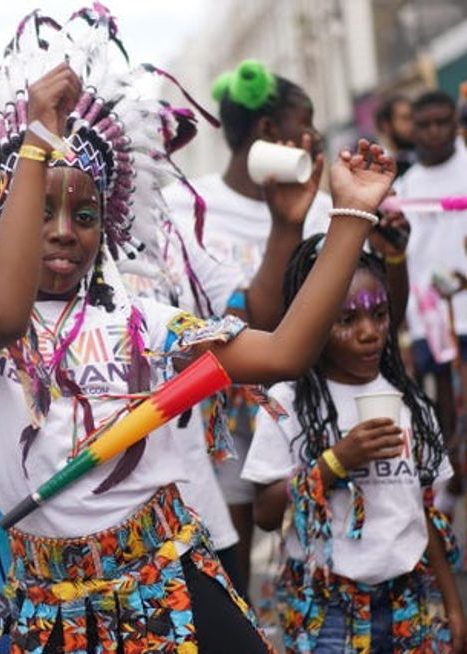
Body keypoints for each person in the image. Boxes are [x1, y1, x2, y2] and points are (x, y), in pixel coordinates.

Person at [0, 8, 398, 652]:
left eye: (85, 213)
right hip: (49, 603)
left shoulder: (144, 322)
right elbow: (4, 314)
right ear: (9, 212)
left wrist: (348, 216)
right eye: (42, 210)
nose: (64, 230)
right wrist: (35, 140)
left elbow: (284, 351)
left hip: (163, 572)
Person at [242, 236, 464, 652]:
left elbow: (423, 511)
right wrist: (336, 461)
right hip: (327, 609)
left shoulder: (411, 402)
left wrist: (452, 604)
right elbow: (267, 514)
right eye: (346, 320)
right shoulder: (288, 404)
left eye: (379, 314)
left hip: (409, 600)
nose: (369, 333)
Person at [162, 58, 334, 593]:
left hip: (299, 400)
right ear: (266, 131)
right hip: (217, 415)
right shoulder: (186, 206)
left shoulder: (322, 207)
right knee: (227, 550)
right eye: (303, 125)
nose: (315, 138)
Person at [396, 90, 467, 464]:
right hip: (432, 318)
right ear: (414, 130)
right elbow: (402, 257)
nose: (435, 132)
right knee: (445, 399)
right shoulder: (406, 186)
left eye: (443, 122)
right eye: (425, 125)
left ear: (455, 124)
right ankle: (454, 477)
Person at [375, 95, 416, 177]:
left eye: (413, 117)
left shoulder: (424, 156)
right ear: (386, 125)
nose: (412, 124)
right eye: (405, 118)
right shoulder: (378, 167)